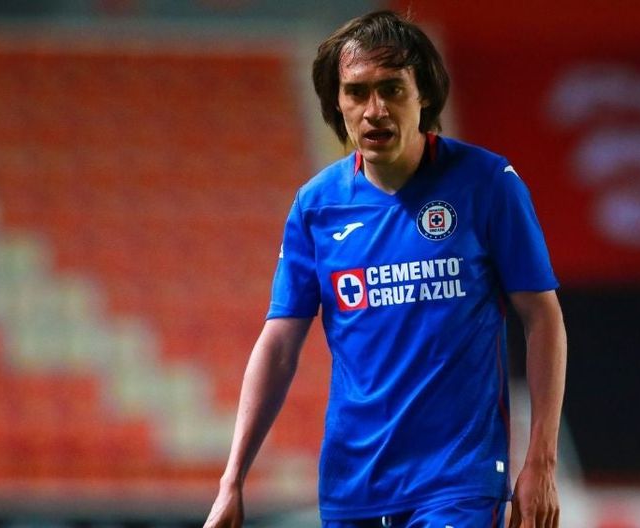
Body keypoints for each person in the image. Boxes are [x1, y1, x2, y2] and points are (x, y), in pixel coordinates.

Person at [204, 9, 567, 528]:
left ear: (424, 97)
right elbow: (279, 344)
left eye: (392, 89)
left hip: (457, 482)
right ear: (337, 103)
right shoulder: (316, 206)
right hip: (353, 486)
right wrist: (232, 479)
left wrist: (541, 461)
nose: (375, 110)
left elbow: (542, 317)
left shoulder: (487, 183)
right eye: (357, 92)